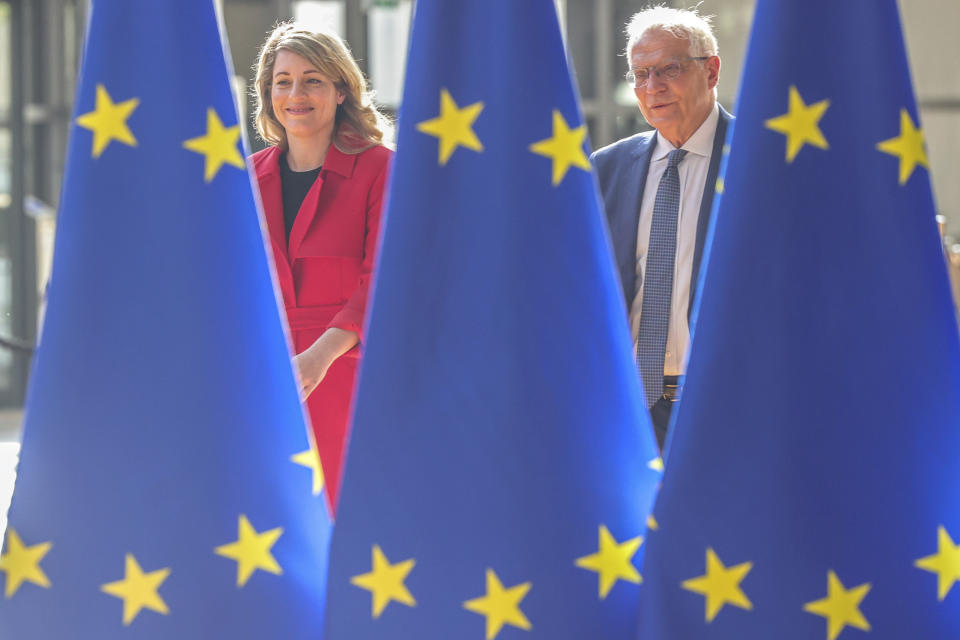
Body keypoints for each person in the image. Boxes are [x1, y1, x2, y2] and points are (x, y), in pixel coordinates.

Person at [251, 22, 392, 510]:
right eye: (282, 81)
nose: (296, 93)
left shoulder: (382, 168)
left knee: (346, 516)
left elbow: (381, 280)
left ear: (340, 90)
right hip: (261, 373)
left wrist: (319, 356)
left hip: (350, 376)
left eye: (312, 79)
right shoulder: (245, 178)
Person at [591, 7, 732, 449]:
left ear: (710, 71)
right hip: (626, 409)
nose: (653, 87)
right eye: (640, 74)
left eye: (669, 69)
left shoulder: (759, 162)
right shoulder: (607, 168)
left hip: (723, 404)